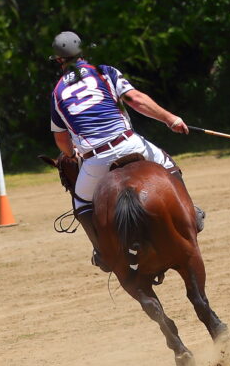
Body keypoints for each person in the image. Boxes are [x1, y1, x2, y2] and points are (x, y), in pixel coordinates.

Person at [48, 31, 203, 271]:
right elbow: (136, 99)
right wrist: (170, 119)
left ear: (58, 60)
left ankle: (103, 252)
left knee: (81, 203)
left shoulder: (57, 93)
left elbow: (60, 138)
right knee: (168, 165)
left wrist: (70, 154)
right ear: (83, 53)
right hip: (129, 143)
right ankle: (190, 213)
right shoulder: (104, 72)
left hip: (96, 159)